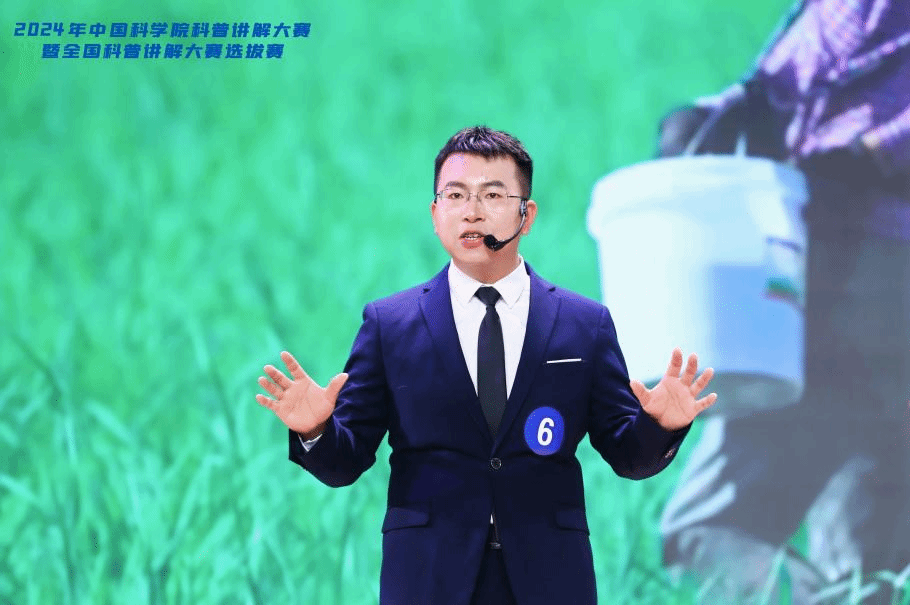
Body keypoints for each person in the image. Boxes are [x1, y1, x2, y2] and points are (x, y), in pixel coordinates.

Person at [256, 125, 718, 605]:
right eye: (455, 195)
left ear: (526, 215)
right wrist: (315, 430)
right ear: (436, 215)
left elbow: (629, 456)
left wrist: (661, 425)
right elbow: (344, 463)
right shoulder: (389, 324)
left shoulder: (584, 324)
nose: (472, 211)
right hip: (429, 578)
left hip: (549, 578)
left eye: (492, 195)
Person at [657, 2, 910, 603]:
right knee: (860, 558)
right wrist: (725, 113)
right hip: (874, 279)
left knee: (708, 534)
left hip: (848, 268)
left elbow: (830, 59)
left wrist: (866, 156)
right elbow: (812, 57)